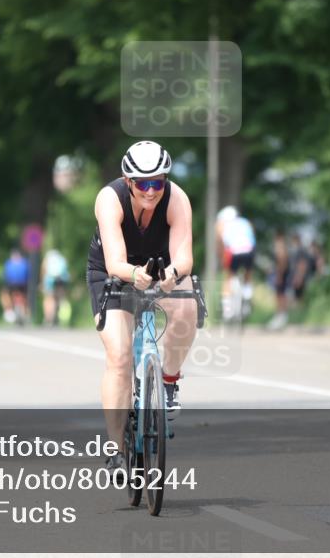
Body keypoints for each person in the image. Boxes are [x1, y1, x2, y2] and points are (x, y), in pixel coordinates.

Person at [86, 140, 196, 473]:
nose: (151, 191)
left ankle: (169, 379)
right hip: (114, 270)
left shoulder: (177, 199)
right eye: (143, 184)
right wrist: (135, 275)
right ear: (127, 180)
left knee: (188, 307)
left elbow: (185, 257)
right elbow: (115, 260)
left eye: (157, 183)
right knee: (119, 357)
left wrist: (172, 274)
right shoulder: (109, 199)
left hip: (161, 266)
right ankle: (116, 450)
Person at [215, 206, 256, 321]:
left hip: (233, 251)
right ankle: (247, 295)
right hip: (249, 249)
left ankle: (227, 309)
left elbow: (220, 242)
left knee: (228, 277)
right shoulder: (245, 222)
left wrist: (221, 257)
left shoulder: (222, 225)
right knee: (248, 272)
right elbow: (252, 237)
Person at [41, 248, 71, 326]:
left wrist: (42, 282)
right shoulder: (62, 259)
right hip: (61, 280)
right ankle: (63, 316)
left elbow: (44, 270)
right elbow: (66, 272)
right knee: (60, 298)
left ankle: (48, 318)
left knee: (49, 298)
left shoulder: (48, 258)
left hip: (50, 280)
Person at [268, 230, 291, 330]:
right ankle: (281, 316)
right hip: (282, 273)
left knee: (279, 295)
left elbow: (282, 261)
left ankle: (280, 316)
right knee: (281, 294)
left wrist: (279, 275)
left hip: (280, 274)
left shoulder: (279, 247)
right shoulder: (283, 246)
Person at [1, 249, 30, 323]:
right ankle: (25, 313)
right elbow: (28, 274)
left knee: (4, 295)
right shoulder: (25, 262)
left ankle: (8, 310)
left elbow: (5, 275)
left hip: (11, 284)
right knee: (24, 298)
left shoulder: (8, 263)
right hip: (23, 284)